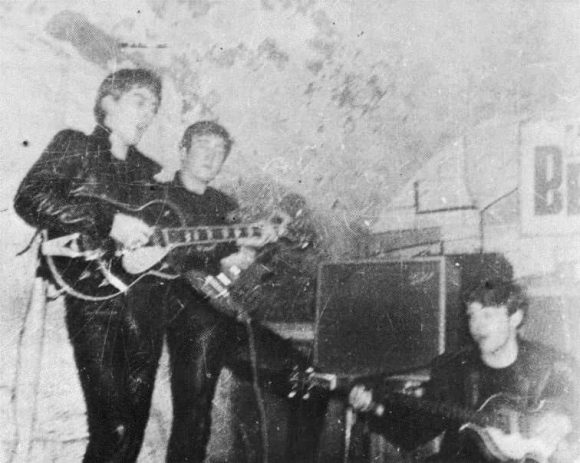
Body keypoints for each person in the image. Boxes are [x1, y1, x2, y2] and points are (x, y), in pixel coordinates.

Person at [14, 68, 169, 462]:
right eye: (140, 100)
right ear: (108, 103)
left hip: (142, 300)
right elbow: (30, 198)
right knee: (113, 425)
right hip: (92, 295)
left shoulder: (149, 173)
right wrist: (108, 221)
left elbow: (156, 235)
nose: (149, 112)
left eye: (155, 105)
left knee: (131, 430)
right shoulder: (75, 145)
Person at [161, 120, 316, 463]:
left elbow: (233, 270)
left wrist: (251, 258)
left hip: (222, 313)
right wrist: (225, 252)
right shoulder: (162, 198)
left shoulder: (225, 205)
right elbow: (169, 256)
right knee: (195, 415)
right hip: (186, 314)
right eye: (203, 146)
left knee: (307, 377)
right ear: (183, 151)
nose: (211, 156)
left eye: (220, 151)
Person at [349, 278, 580, 462]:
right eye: (472, 316)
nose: (476, 326)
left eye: (487, 315)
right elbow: (416, 433)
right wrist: (372, 408)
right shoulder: (453, 370)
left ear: (515, 317)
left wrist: (566, 420)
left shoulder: (550, 365)